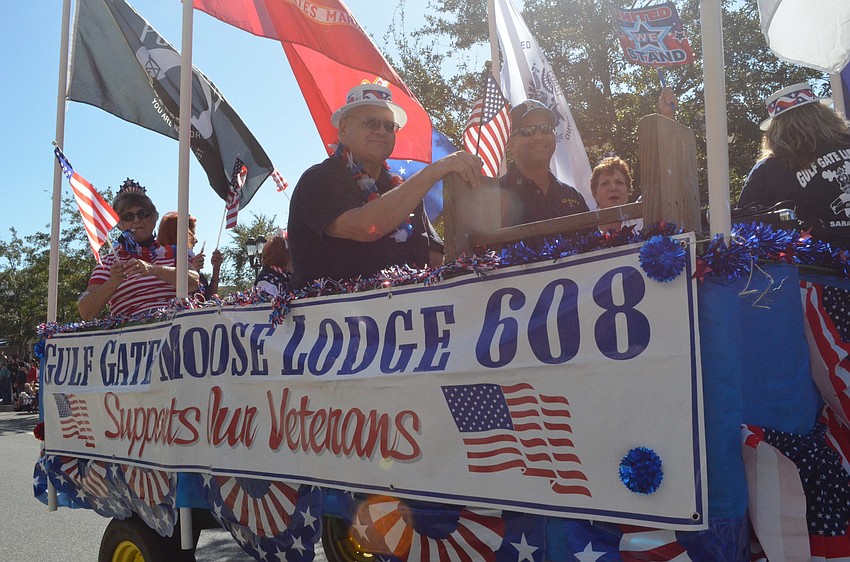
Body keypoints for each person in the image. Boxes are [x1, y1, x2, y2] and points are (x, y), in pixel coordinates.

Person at [287, 84, 482, 288]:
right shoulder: (319, 179)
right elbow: (366, 227)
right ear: (343, 130)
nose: (381, 131)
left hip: (404, 310)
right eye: (371, 123)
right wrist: (433, 171)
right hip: (331, 314)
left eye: (389, 126)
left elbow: (434, 257)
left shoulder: (400, 188)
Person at [738, 83, 850, 246]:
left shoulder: (769, 169)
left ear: (775, 130)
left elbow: (745, 228)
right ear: (825, 115)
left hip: (815, 266)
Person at [78, 179, 200, 320]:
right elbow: (86, 312)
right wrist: (114, 281)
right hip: (131, 335)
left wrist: (154, 269)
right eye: (128, 216)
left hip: (175, 328)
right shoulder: (107, 263)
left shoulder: (173, 254)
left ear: (154, 218)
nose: (136, 220)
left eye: (142, 214)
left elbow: (194, 282)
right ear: (120, 224)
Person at [500, 100, 589, 227]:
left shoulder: (572, 196)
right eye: (528, 130)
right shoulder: (495, 197)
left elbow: (596, 245)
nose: (539, 137)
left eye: (546, 128)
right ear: (511, 144)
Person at [157, 211, 223, 299]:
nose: (196, 240)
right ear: (179, 235)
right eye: (192, 233)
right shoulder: (163, 265)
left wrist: (216, 268)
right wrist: (191, 272)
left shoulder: (191, 263)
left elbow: (208, 299)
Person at [591, 156, 643, 233]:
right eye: (605, 183)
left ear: (628, 189)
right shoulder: (586, 231)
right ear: (594, 193)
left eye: (619, 182)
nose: (613, 188)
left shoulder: (644, 223)